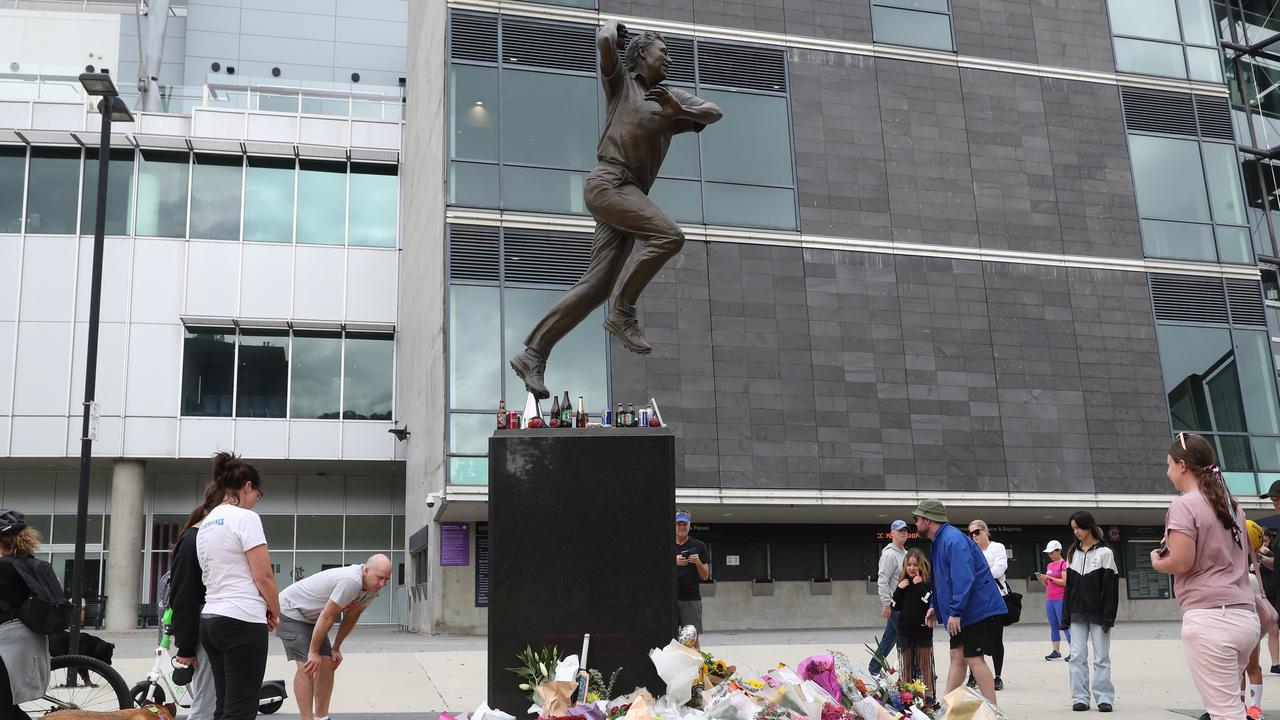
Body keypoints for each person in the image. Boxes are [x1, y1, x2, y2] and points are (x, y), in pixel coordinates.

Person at [509, 20, 723, 398]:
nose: (669, 59)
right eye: (664, 53)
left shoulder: (670, 99)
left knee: (596, 286)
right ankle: (623, 313)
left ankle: (534, 353)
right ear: (642, 55)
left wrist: (676, 110)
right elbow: (604, 38)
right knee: (668, 236)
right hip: (608, 184)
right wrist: (614, 27)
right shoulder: (621, 85)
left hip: (629, 196)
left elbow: (714, 111)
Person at [1152, 432, 1258, 720]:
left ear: (1182, 465)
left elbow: (1181, 562)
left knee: (1225, 713)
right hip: (1244, 617)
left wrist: (1157, 561)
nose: (1168, 471)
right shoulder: (1232, 506)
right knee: (1232, 706)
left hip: (1211, 619)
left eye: (1169, 464)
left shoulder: (1184, 505)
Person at [196, 452, 280, 720]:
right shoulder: (246, 518)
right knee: (242, 709)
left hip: (210, 620)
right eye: (257, 493)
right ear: (247, 487)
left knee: (224, 706)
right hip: (241, 620)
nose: (256, 499)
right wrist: (275, 612)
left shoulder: (207, 522)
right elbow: (263, 576)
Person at [911, 499, 1006, 703]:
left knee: (973, 659)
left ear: (928, 520)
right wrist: (935, 606)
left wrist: (955, 612)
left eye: (917, 518)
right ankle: (945, 706)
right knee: (957, 657)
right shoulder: (941, 540)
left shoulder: (952, 540)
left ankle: (994, 712)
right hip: (966, 610)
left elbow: (964, 578)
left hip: (975, 610)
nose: (915, 522)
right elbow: (942, 581)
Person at [276, 555, 393, 720]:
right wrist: (313, 652)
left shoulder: (372, 588)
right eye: (379, 578)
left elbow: (352, 615)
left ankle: (322, 717)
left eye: (386, 580)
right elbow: (328, 616)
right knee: (307, 666)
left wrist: (336, 647)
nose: (382, 584)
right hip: (291, 610)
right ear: (366, 570)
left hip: (313, 618)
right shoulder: (351, 581)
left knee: (328, 662)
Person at [1061, 510, 1118, 712]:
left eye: (1078, 527)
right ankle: (1080, 698)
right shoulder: (1071, 554)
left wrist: (1108, 617)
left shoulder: (1105, 553)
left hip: (1099, 614)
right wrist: (1065, 616)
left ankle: (1104, 698)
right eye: (1073, 528)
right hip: (1077, 613)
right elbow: (1069, 589)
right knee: (1077, 656)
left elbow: (1111, 590)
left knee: (1101, 657)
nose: (1076, 531)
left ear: (1089, 526)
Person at [0, 510, 51, 720]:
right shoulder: (24, 562)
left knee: (4, 710)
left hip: (8, 646)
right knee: (7, 709)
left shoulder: (4, 566)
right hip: (25, 642)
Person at [169, 501, 217, 720]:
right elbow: (183, 596)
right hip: (202, 623)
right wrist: (186, 647)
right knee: (206, 700)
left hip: (204, 621)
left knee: (209, 697)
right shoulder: (194, 541)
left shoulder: (195, 539)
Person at [967, 519, 1008, 691]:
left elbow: (1000, 568)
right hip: (976, 600)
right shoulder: (971, 550)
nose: (974, 536)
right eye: (971, 533)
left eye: (977, 532)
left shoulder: (997, 547)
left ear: (986, 531)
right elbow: (968, 571)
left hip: (995, 599)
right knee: (974, 639)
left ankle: (997, 676)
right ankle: (973, 675)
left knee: (996, 639)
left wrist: (980, 575)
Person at [892, 548, 935, 695]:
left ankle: (929, 696)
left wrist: (919, 585)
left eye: (915, 564)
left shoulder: (927, 583)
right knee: (907, 667)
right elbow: (894, 606)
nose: (911, 568)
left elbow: (927, 602)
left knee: (925, 665)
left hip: (922, 631)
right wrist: (899, 589)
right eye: (909, 564)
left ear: (921, 565)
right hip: (904, 631)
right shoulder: (903, 583)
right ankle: (907, 696)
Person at [869, 519, 909, 675]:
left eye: (905, 530)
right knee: (906, 640)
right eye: (900, 531)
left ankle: (873, 669)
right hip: (895, 605)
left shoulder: (905, 553)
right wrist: (886, 603)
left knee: (888, 641)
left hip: (904, 605)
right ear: (892, 534)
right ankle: (917, 670)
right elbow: (883, 579)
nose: (903, 533)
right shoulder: (890, 554)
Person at [674, 510, 710, 639]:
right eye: (679, 524)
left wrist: (698, 562)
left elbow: (705, 576)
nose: (682, 527)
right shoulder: (664, 545)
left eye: (685, 524)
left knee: (691, 639)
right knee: (666, 639)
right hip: (668, 599)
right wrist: (674, 562)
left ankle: (697, 660)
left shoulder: (700, 546)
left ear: (690, 525)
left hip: (691, 598)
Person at [1035, 540, 1071, 661]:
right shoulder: (1049, 565)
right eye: (1048, 553)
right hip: (1050, 599)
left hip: (1060, 599)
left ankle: (1075, 651)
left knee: (1065, 625)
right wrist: (1042, 579)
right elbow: (1048, 585)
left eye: (1052, 552)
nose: (1050, 555)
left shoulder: (1064, 564)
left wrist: (1050, 577)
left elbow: (1065, 582)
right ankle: (1056, 651)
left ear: (1059, 551)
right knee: (1053, 625)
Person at [1260, 526, 1280, 673]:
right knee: (1265, 631)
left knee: (1274, 630)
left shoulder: (1270, 551)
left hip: (1275, 595)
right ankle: (1273, 663)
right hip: (1263, 596)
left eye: (1265, 541)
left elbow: (1274, 563)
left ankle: (1275, 663)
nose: (1264, 544)